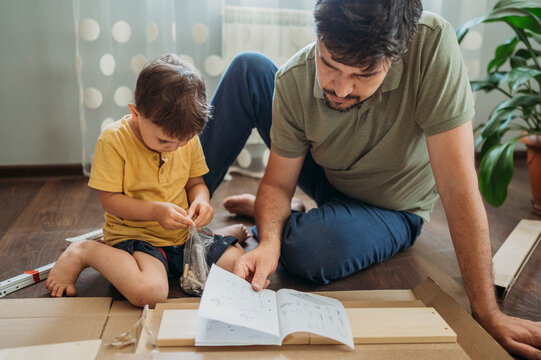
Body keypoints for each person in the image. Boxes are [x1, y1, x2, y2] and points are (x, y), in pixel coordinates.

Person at [200, 0, 541, 358]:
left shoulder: (432, 45)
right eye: (329, 64)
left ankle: (287, 216)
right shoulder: (295, 78)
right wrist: (269, 242)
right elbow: (278, 184)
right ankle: (179, 220)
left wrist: (487, 314)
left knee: (310, 250)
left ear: (397, 54)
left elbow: (457, 186)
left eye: (363, 75)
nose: (341, 89)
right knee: (248, 69)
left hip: (390, 207)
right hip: (328, 171)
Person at [46, 54, 248, 308]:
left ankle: (211, 238)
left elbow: (196, 183)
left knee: (242, 267)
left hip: (183, 236)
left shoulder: (183, 136)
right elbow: (110, 200)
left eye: (183, 141)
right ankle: (85, 251)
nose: (174, 148)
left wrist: (201, 201)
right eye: (164, 141)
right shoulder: (114, 141)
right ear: (135, 113)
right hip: (139, 237)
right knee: (150, 293)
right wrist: (155, 211)